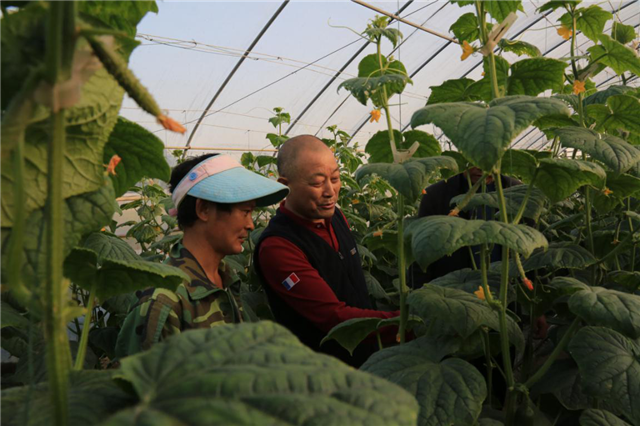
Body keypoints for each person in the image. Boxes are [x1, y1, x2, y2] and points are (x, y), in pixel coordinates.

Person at [115, 153, 289, 357]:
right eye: (244, 212)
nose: (251, 225)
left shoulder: (223, 279)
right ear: (204, 209)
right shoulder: (163, 301)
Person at [253, 135, 401, 367]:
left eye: (335, 178)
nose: (330, 191)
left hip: (366, 361)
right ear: (284, 186)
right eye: (317, 183)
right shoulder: (278, 247)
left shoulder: (336, 216)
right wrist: (407, 323)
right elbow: (334, 319)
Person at [408, 166, 522, 287]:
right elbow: (422, 248)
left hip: (504, 286)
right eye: (473, 159)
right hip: (453, 289)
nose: (481, 168)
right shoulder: (436, 194)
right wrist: (416, 292)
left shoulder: (517, 191)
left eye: (489, 159)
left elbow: (531, 245)